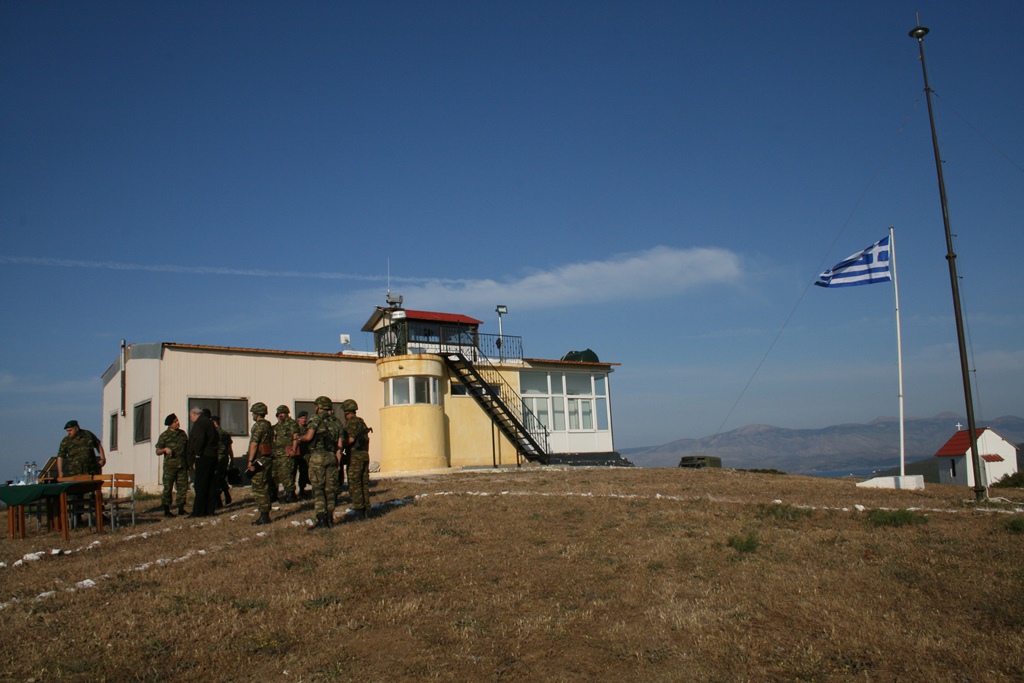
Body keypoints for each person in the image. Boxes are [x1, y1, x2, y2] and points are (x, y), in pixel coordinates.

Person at [298, 395, 343, 530]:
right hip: (332, 457)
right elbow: (340, 446)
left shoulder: (316, 419)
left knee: (318, 489)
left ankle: (321, 520)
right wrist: (338, 463)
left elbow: (309, 437)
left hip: (318, 457)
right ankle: (330, 518)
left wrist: (300, 438)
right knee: (330, 490)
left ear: (319, 407)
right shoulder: (337, 422)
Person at [341, 399, 373, 520]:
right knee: (364, 483)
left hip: (355, 457)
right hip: (364, 455)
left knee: (355, 483)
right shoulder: (361, 422)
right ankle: (367, 509)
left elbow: (351, 439)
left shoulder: (351, 423)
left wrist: (339, 445)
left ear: (346, 411)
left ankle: (359, 511)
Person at [154, 413, 189, 517]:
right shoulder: (164, 436)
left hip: (182, 465)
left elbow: (187, 449)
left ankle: (181, 508)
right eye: (175, 421)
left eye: (177, 420)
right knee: (168, 488)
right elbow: (157, 451)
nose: (178, 423)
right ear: (170, 424)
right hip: (170, 467)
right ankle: (167, 510)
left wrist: (189, 463)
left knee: (182, 487)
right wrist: (164, 450)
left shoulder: (182, 434)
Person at [187, 406, 219, 517]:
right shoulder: (209, 422)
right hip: (212, 456)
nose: (191, 419)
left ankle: (198, 511)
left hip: (204, 456)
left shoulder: (200, 423)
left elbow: (199, 439)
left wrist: (197, 453)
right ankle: (209, 510)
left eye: (191, 416)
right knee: (210, 484)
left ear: (194, 414)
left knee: (200, 484)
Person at [246, 402, 274, 525]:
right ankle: (265, 513)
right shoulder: (268, 425)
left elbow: (254, 444)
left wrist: (250, 461)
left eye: (253, 413)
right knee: (265, 485)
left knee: (259, 487)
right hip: (267, 459)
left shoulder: (258, 426)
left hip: (259, 459)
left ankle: (264, 515)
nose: (252, 415)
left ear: (257, 414)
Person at [271, 405, 300, 503]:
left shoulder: (291, 423)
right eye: (279, 414)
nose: (280, 415)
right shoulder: (278, 425)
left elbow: (295, 437)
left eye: (282, 413)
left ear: (287, 413)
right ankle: (274, 495)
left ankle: (290, 496)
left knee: (286, 474)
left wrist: (293, 450)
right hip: (277, 454)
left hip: (286, 454)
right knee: (275, 475)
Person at [211, 415, 233, 507]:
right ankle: (226, 493)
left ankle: (218, 501)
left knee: (215, 479)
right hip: (224, 458)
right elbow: (229, 448)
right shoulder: (225, 434)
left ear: (214, 423)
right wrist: (232, 459)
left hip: (216, 458)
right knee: (222, 477)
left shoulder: (213, 433)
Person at [294, 411, 311, 499]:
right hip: (295, 453)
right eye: (302, 418)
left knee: (304, 472)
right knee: (292, 472)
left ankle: (302, 490)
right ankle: (291, 491)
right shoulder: (294, 427)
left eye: (305, 418)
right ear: (298, 419)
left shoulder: (308, 428)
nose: (304, 420)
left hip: (305, 454)